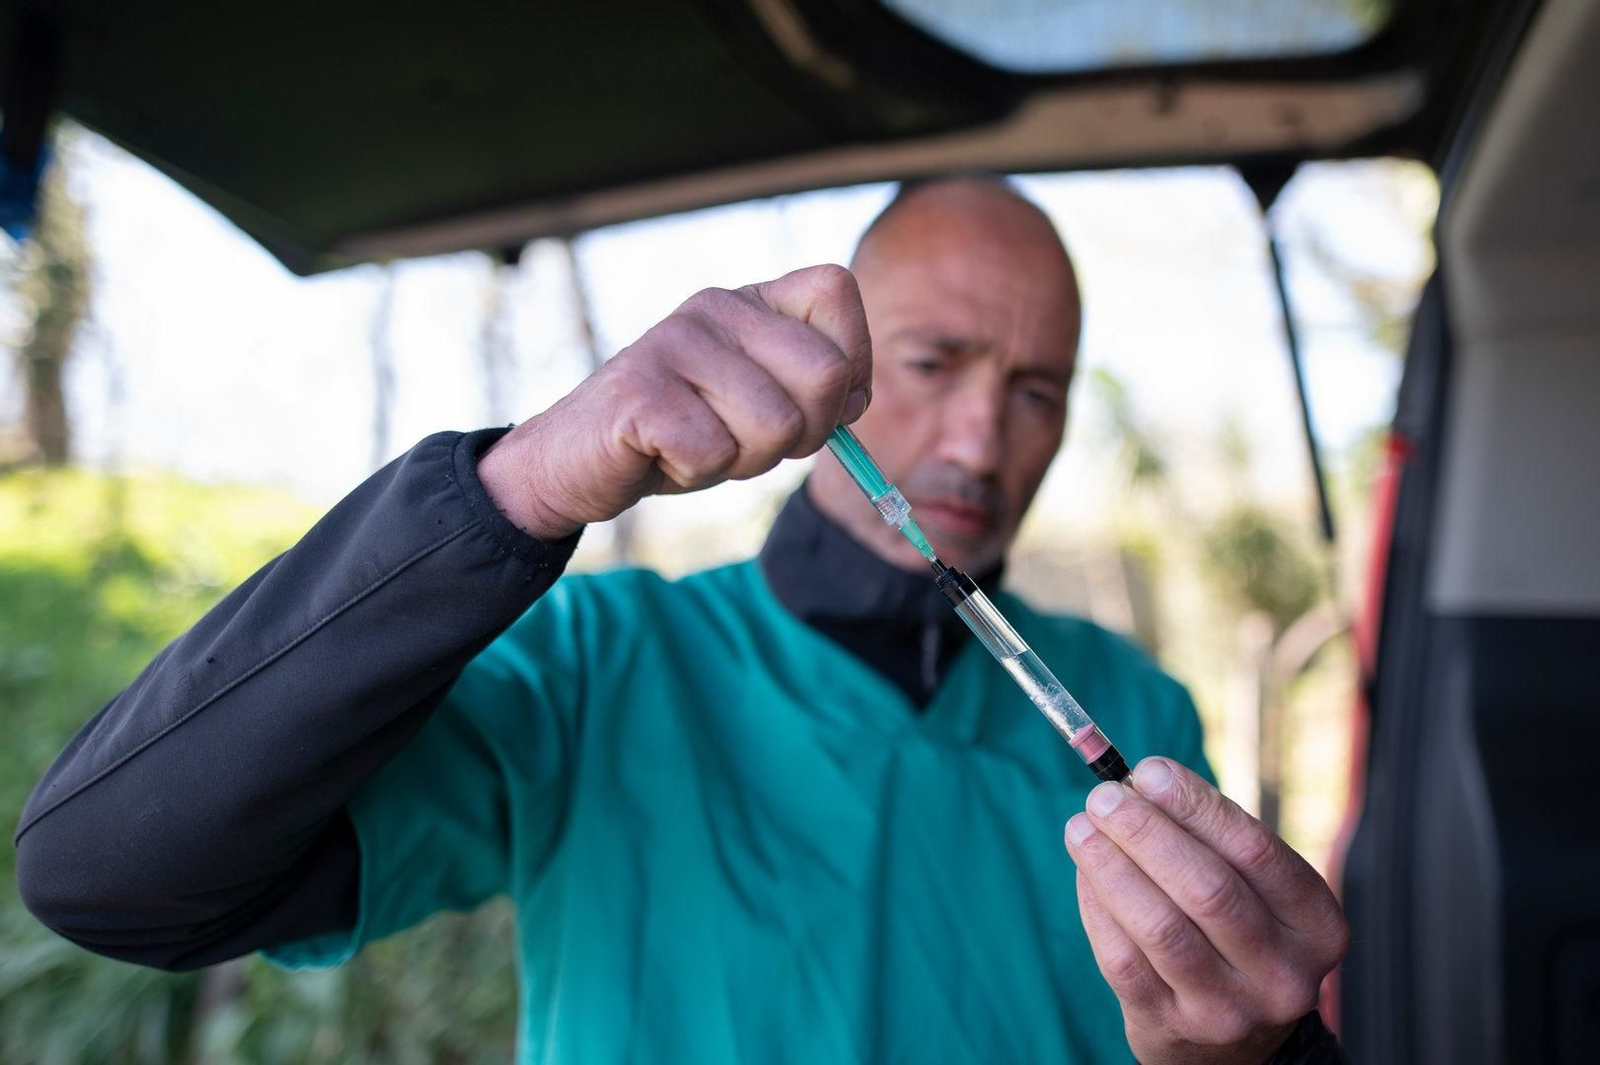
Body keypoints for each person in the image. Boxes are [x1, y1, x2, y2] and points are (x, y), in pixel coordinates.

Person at [16, 177, 1347, 1063]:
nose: (983, 439)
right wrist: (519, 483)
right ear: (838, 363)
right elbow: (106, 869)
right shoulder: (599, 669)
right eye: (936, 362)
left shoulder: (1136, 711)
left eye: (1041, 389)